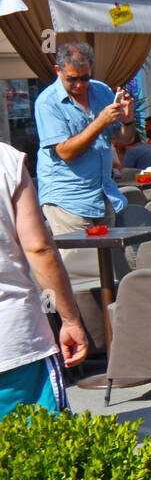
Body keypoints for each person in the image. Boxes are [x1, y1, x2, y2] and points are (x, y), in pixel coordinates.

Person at [0, 140, 88, 421]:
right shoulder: (6, 160)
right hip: (15, 340)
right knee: (39, 454)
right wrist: (70, 320)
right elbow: (39, 248)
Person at [33, 42, 131, 235]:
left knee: (107, 262)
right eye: (72, 79)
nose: (79, 85)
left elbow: (125, 140)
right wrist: (100, 122)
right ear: (58, 71)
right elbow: (65, 152)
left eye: (85, 78)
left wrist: (128, 121)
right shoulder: (47, 103)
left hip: (103, 194)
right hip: (68, 200)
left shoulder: (101, 90)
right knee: (81, 263)